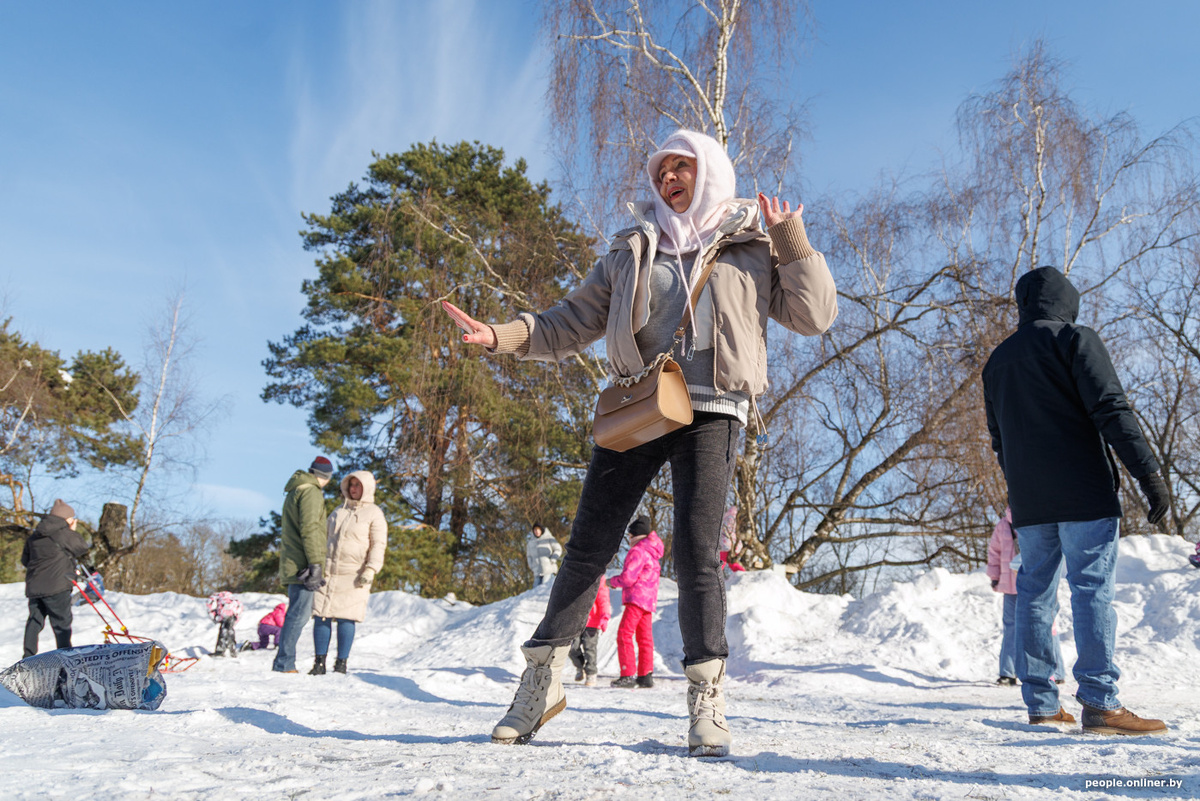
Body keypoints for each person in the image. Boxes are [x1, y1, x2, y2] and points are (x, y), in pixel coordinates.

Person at [443, 128, 836, 756]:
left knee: (697, 555)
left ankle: (706, 698)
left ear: (708, 171)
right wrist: (501, 334)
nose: (668, 179)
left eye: (682, 168)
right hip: (637, 403)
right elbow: (571, 320)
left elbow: (814, 316)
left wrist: (791, 240)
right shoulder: (631, 248)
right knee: (588, 548)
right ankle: (540, 680)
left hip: (712, 409)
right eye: (660, 172)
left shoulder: (752, 246)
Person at [983, 266, 1171, 735]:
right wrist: (1149, 474)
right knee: (1091, 591)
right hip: (1084, 491)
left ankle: (1043, 703)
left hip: (1030, 502)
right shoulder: (1074, 339)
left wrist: (1022, 485)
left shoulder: (998, 361)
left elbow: (999, 439)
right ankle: (1101, 702)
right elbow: (1112, 408)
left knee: (1033, 592)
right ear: (1067, 300)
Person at [309, 470, 388, 675]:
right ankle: (319, 663)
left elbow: (378, 544)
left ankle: (341, 663)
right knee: (321, 615)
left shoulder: (374, 514)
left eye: (357, 485)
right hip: (328, 572)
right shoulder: (337, 512)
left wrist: (371, 569)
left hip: (355, 574)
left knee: (347, 617)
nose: (353, 489)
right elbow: (322, 539)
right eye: (351, 485)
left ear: (367, 488)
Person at [986, 507, 1065, 686]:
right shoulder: (1005, 525)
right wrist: (995, 576)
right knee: (1039, 624)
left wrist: (995, 576)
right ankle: (1010, 672)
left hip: (1034, 582)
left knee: (1041, 624)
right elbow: (995, 552)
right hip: (1016, 585)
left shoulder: (1037, 517)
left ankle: (1052, 671)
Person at [272, 455, 334, 673]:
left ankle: (284, 661)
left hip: (295, 560)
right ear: (324, 476)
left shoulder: (296, 490)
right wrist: (316, 563)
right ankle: (284, 663)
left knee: (296, 612)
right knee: (299, 614)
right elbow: (311, 529)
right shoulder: (311, 492)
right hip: (303, 565)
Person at [22, 499, 89, 657]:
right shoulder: (64, 534)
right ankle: (65, 657)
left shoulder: (34, 535)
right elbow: (82, 547)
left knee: (34, 621)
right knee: (61, 624)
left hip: (34, 587)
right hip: (57, 586)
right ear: (67, 519)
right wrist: (72, 529)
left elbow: (25, 560)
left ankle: (28, 657)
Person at [608, 516, 663, 689]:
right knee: (644, 638)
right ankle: (645, 675)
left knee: (624, 634)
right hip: (648, 601)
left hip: (636, 599)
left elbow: (628, 578)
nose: (629, 540)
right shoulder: (652, 553)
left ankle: (627, 674)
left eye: (629, 536)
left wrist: (610, 582)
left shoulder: (637, 551)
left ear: (635, 536)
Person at [569, 575, 611, 686]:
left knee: (590, 648)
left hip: (593, 621)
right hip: (577, 620)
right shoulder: (575, 576)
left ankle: (591, 673)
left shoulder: (599, 579)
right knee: (572, 647)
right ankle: (580, 667)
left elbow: (603, 599)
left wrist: (605, 616)